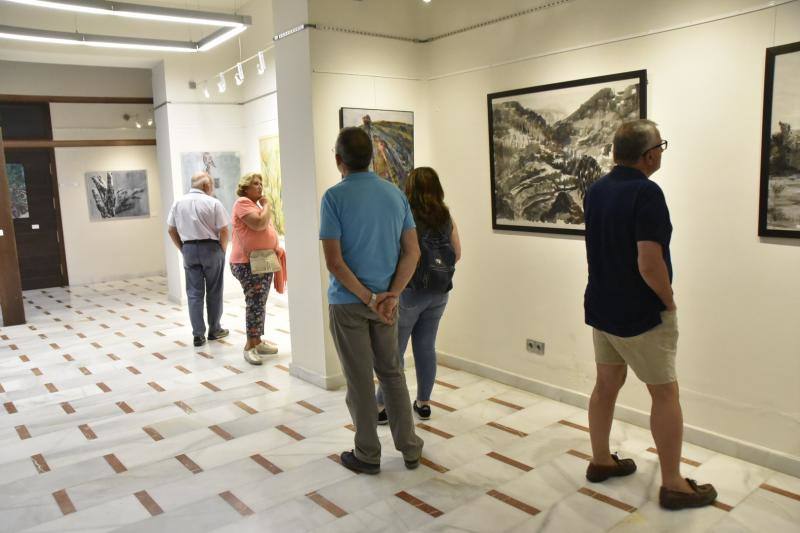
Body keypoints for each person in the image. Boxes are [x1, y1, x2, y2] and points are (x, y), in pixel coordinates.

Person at [583, 119, 716, 510]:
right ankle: (674, 483)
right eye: (661, 146)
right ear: (649, 154)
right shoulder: (647, 192)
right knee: (665, 393)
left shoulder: (596, 190)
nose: (661, 153)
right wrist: (668, 299)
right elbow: (649, 261)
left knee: (606, 384)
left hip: (602, 306)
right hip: (640, 312)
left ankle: (601, 459)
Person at [320, 127, 424, 475]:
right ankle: (410, 448)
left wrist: (369, 298)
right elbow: (413, 251)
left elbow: (334, 261)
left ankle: (367, 453)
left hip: (350, 303)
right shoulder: (394, 194)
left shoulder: (334, 198)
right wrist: (392, 294)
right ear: (372, 158)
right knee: (392, 374)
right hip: (387, 305)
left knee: (360, 380)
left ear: (339, 160)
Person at [375, 167, 461, 424]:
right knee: (426, 348)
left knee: (395, 351)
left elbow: (397, 255)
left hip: (410, 292)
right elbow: (457, 253)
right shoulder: (446, 216)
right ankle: (423, 403)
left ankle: (381, 405)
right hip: (439, 292)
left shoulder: (405, 215)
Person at [166, 172, 230, 347]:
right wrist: (222, 251)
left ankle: (198, 335)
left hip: (189, 249)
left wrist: (183, 248)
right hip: (211, 248)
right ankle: (215, 330)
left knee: (194, 294)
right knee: (214, 291)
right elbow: (224, 230)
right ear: (206, 186)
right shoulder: (214, 203)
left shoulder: (178, 203)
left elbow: (171, 229)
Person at [230, 172, 287, 365]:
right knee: (254, 302)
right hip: (247, 262)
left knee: (259, 302)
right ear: (245, 188)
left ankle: (257, 340)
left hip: (262, 261)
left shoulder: (255, 205)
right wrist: (268, 204)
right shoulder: (242, 203)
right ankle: (249, 346)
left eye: (261, 183)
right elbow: (259, 224)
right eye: (255, 183)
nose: (260, 186)